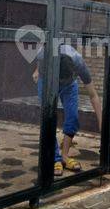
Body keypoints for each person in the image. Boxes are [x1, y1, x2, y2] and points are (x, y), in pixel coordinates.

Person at [33, 43, 102, 176]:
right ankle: (55, 159)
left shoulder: (78, 62)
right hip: (47, 81)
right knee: (48, 118)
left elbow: (93, 95)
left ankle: (64, 156)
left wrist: (101, 124)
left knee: (73, 117)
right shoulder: (44, 57)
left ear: (74, 71)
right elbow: (40, 55)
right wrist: (37, 70)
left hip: (70, 86)